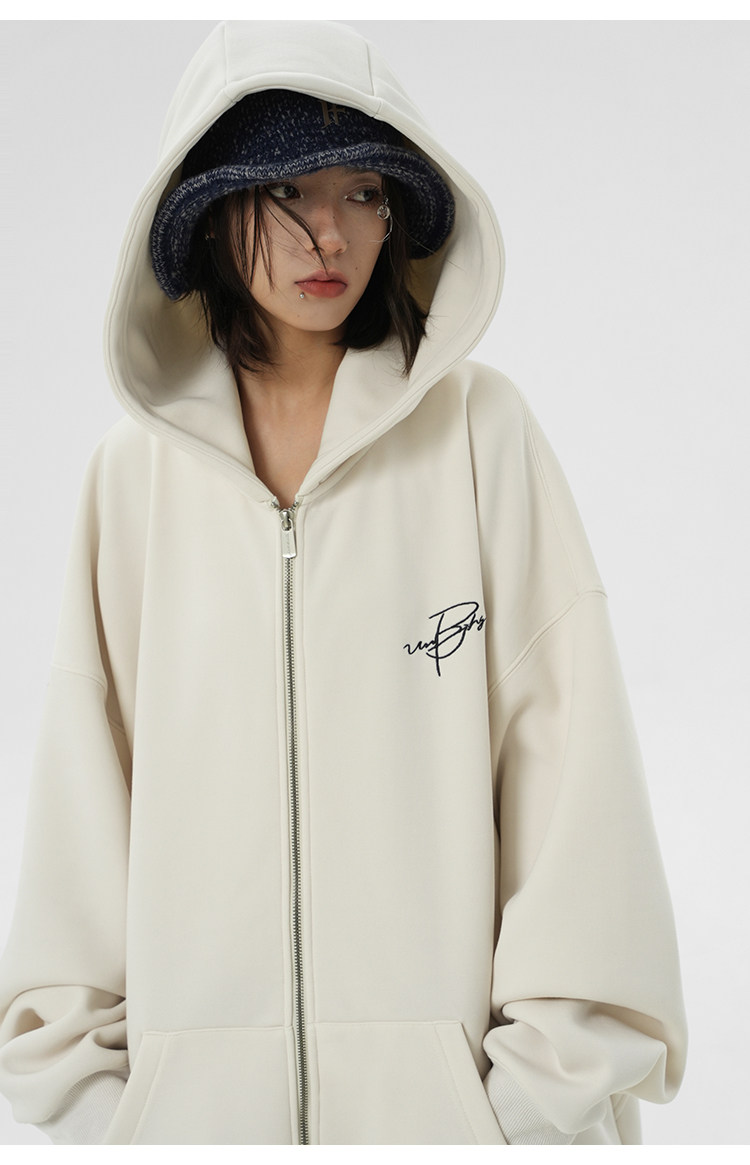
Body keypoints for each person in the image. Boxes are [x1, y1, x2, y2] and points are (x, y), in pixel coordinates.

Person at [0, 20, 687, 1146]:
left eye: (362, 192)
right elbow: (83, 795)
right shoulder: (132, 480)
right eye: (287, 192)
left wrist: (524, 1110)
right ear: (212, 212)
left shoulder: (480, 434)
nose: (329, 234)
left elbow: (575, 778)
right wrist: (104, 1113)